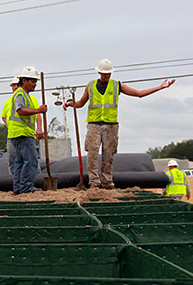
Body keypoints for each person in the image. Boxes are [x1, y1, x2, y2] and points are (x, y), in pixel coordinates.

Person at [65, 59, 175, 189]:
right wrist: (71, 103)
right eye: (105, 73)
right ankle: (94, 182)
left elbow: (139, 94)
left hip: (111, 125)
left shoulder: (117, 85)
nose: (107, 75)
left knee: (108, 153)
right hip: (94, 123)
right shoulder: (91, 85)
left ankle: (107, 182)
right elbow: (80, 103)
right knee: (92, 152)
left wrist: (160, 87)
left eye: (109, 73)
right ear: (99, 72)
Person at [6, 67, 47, 194]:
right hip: (22, 133)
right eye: (32, 81)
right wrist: (38, 110)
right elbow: (20, 110)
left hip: (19, 133)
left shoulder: (24, 95)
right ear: (24, 80)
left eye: (36, 82)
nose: (35, 84)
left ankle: (18, 189)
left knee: (19, 162)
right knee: (31, 161)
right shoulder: (20, 94)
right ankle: (26, 188)